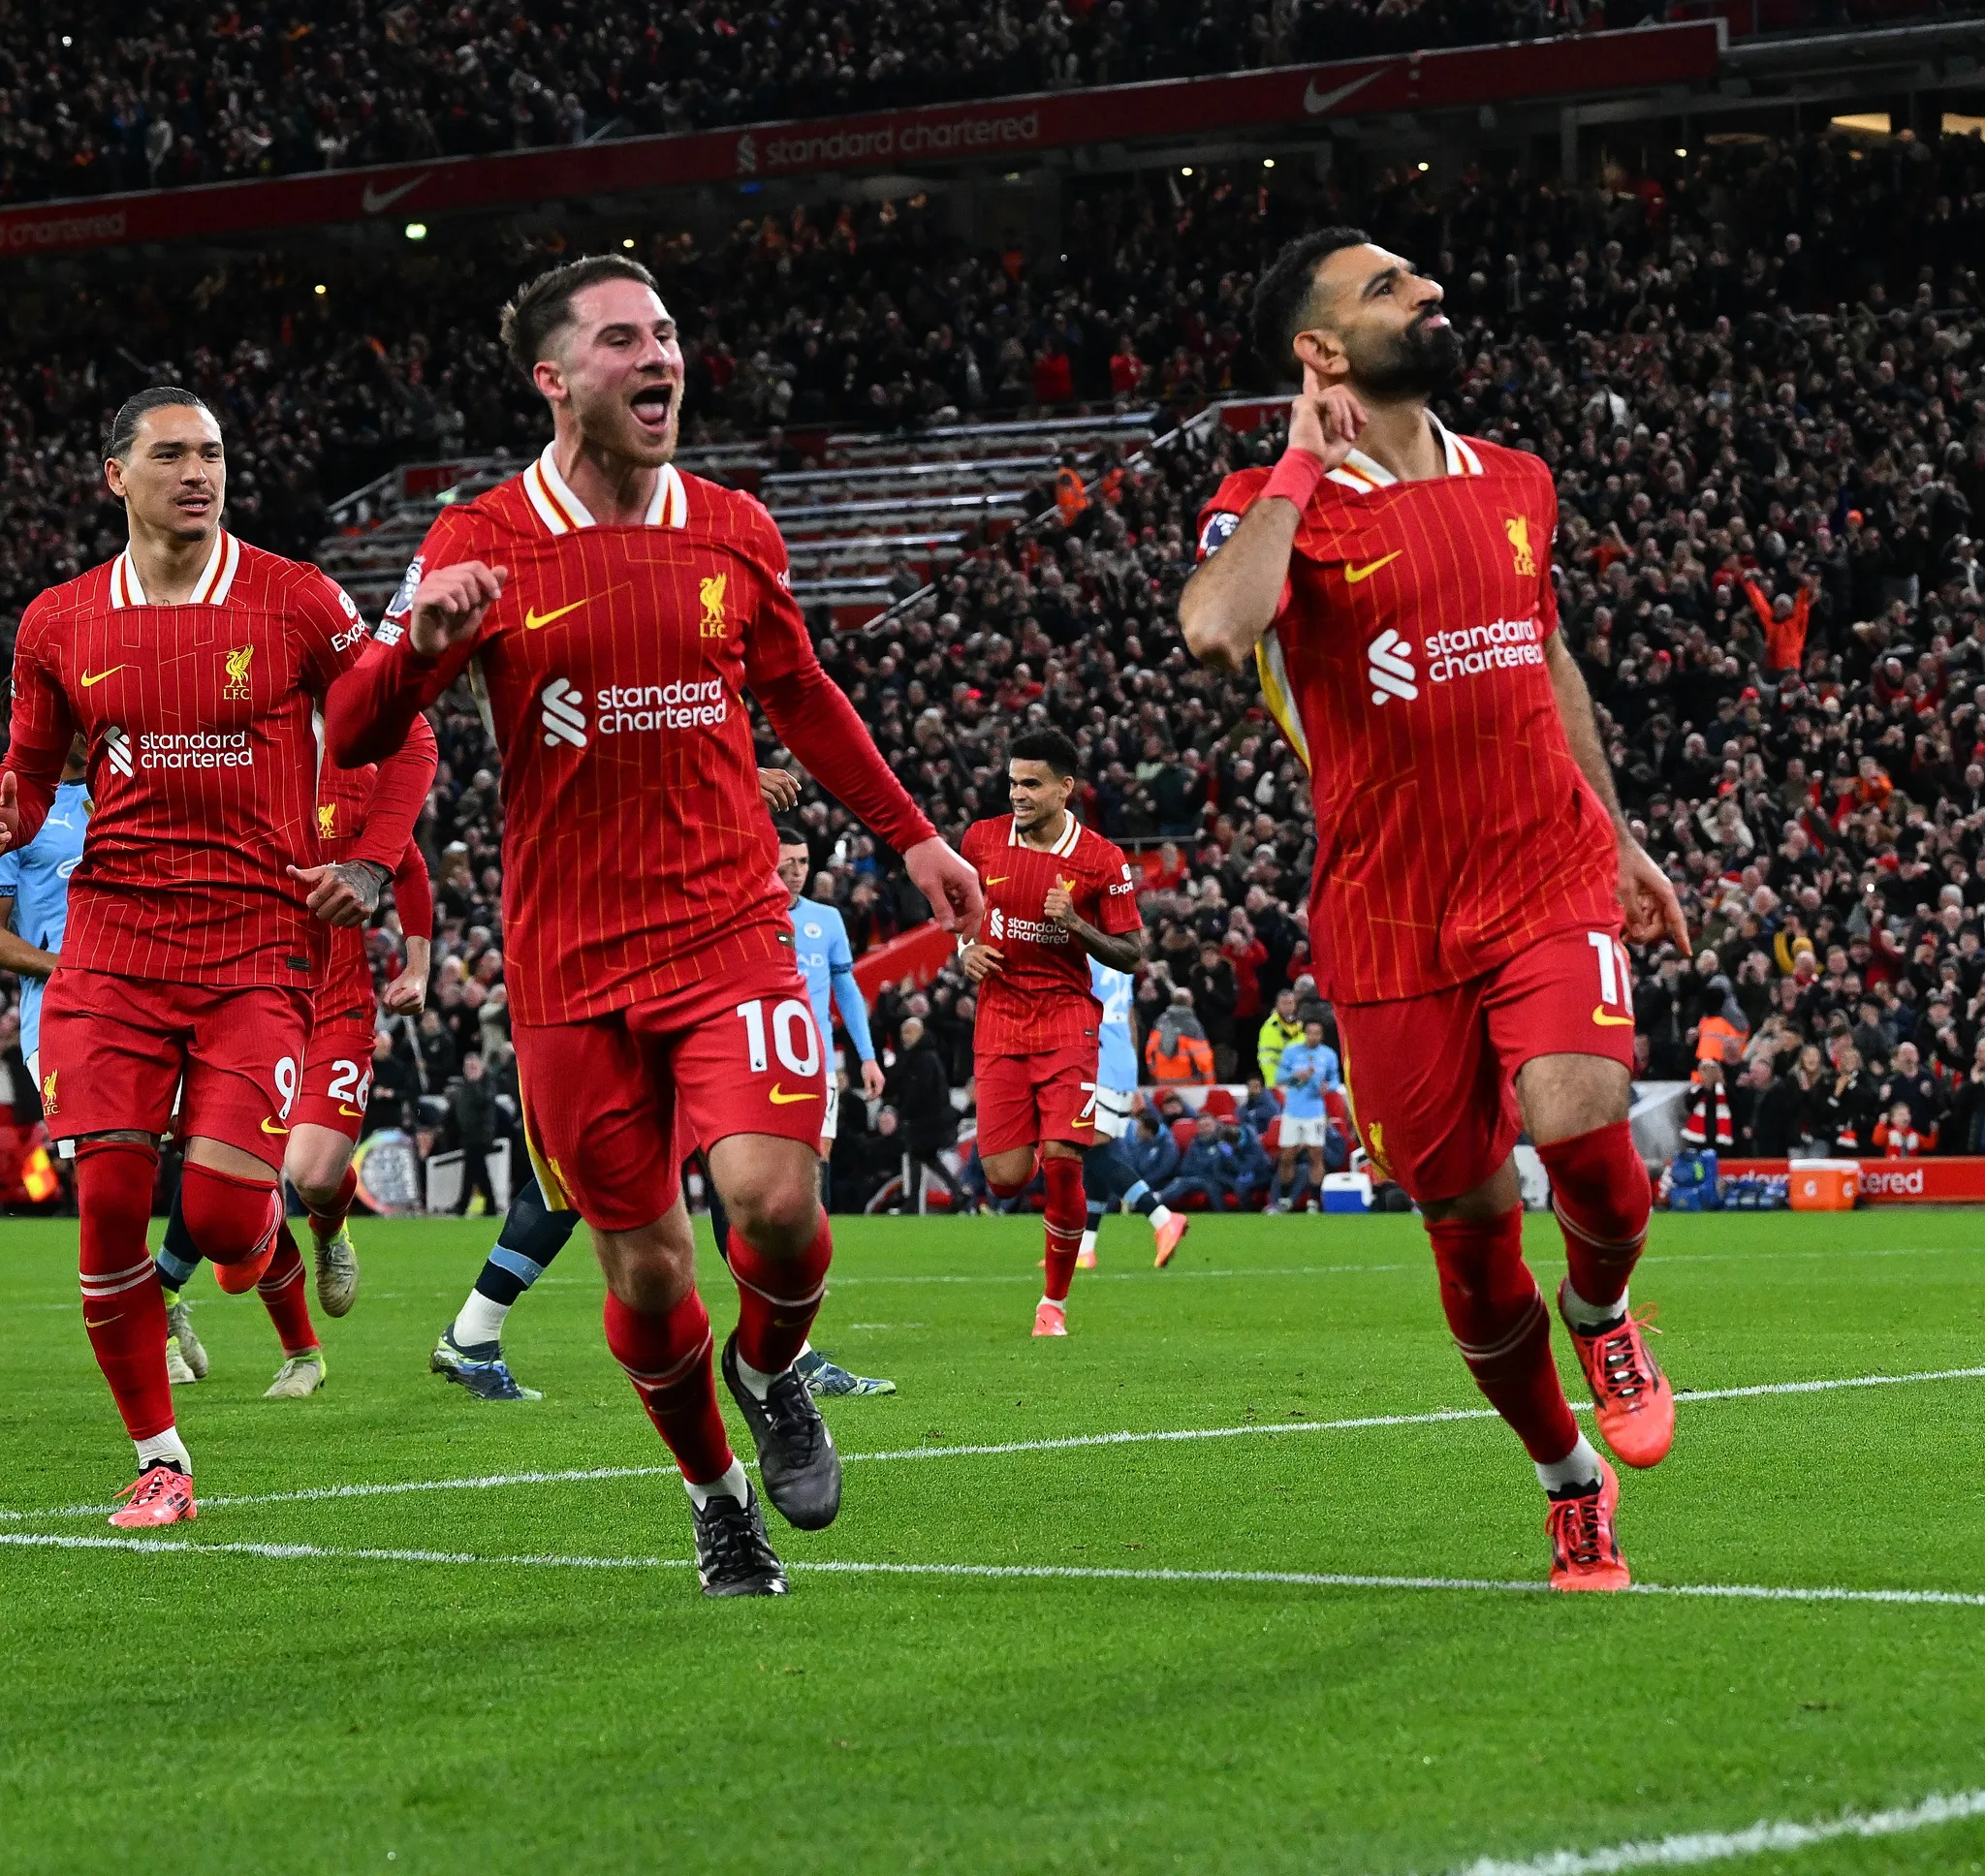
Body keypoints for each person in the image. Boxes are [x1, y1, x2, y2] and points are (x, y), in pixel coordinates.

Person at [327, 254, 980, 1596]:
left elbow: (801, 696)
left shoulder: (734, 525)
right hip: (567, 960)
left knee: (778, 1206)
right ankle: (714, 1494)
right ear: (556, 379)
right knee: (642, 1270)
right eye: (625, 338)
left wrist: (913, 836)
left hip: (728, 923)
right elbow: (352, 732)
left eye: (669, 331)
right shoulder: (475, 542)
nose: (660, 355)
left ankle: (772, 1365)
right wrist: (417, 646)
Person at [1180, 227, 1688, 1592]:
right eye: (1391, 285)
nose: (1433, 291)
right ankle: (1566, 1480)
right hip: (1389, 914)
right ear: (1321, 348)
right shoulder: (1266, 500)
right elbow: (1221, 626)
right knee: (1465, 1234)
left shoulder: (1518, 482)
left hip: (1544, 867)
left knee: (1581, 1128)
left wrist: (1624, 839)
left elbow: (1551, 657)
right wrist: (1297, 459)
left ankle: (1603, 1306)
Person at [0, 387, 436, 1526]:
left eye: (213, 454)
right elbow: (29, 781)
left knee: (236, 1219)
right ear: (115, 476)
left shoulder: (295, 601)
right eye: (172, 455)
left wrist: (380, 866)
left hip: (254, 952)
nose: (199, 472)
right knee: (104, 1199)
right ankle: (161, 1456)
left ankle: (278, 1259)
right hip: (111, 948)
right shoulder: (57, 621)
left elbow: (403, 736)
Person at [426, 773, 892, 1401]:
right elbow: (615, 787)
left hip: (693, 1022)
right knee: (579, 1190)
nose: (795, 870)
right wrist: (727, 778)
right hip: (624, 1006)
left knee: (735, 1187)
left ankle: (791, 1356)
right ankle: (473, 1331)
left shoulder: (812, 917)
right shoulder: (615, 775)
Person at [960, 728, 1144, 1337]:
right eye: (1012, 782)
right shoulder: (981, 841)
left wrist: (1076, 926)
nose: (1017, 793)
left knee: (1063, 1160)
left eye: (1031, 784)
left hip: (1067, 1017)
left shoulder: (1101, 860)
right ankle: (1050, 1129)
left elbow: (1131, 952)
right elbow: (960, 912)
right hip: (1000, 1019)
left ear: (1066, 788)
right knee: (1005, 1176)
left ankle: (1053, 1307)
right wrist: (965, 947)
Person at [1075, 955, 1188, 1271]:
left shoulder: (1081, 958)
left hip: (1098, 1062)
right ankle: (1084, 1248)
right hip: (1118, 1062)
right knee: (1095, 1152)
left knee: (1092, 1150)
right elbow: (1128, 1019)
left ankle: (1162, 1218)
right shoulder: (1116, 960)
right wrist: (1132, 1077)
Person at [0, 735, 86, 1096]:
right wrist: (70, 966)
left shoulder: (134, 792)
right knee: (106, 1145)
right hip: (63, 1014)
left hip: (160, 997)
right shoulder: (13, 813)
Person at [1273, 1016, 1339, 1212]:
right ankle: (1284, 1199)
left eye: (1317, 1033)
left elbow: (1335, 1078)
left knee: (1315, 1155)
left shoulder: (1328, 1055)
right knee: (1287, 1156)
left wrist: (1329, 1087)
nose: (1313, 1037)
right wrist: (1296, 1076)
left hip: (1315, 1111)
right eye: (1310, 1033)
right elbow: (1279, 1078)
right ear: (1305, 1034)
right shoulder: (1292, 1052)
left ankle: (1313, 1201)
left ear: (1322, 1036)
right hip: (1293, 1111)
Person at [1158, 1111, 1238, 1212]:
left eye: (1207, 1125)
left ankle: (1157, 1199)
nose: (1205, 1129)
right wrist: (1204, 1170)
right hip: (1198, 1180)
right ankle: (1157, 1203)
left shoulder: (1225, 1143)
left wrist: (1204, 1169)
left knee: (1205, 1185)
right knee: (1180, 1181)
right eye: (1201, 1126)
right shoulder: (1194, 1144)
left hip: (1220, 1180)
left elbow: (1229, 1166)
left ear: (1215, 1125)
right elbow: (1185, 1168)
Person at [1256, 986, 1304, 1083]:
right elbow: (1268, 1060)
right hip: (1278, 1083)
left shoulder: (1301, 1027)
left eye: (1290, 1003)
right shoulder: (1270, 1028)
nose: (1287, 1007)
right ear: (1277, 1005)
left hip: (1300, 1084)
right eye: (1284, 1003)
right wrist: (1280, 1081)